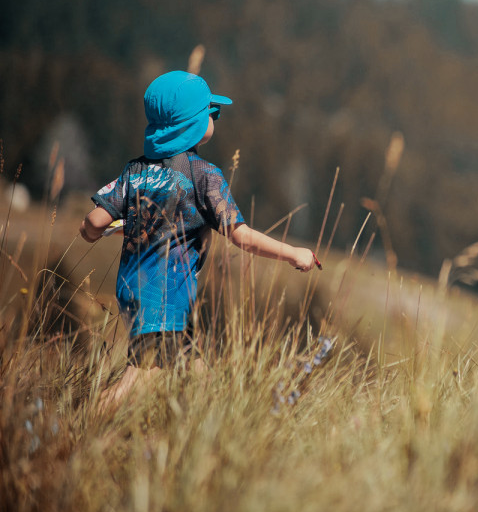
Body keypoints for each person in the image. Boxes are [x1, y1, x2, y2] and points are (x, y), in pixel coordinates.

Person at [80, 70, 317, 410]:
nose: (214, 118)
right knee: (141, 379)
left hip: (133, 291)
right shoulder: (204, 176)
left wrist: (103, 230)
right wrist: (294, 253)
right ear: (192, 124)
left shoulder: (135, 171)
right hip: (166, 299)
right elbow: (241, 236)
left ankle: (218, 430)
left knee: (200, 376)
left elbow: (93, 222)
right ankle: (80, 425)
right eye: (212, 112)